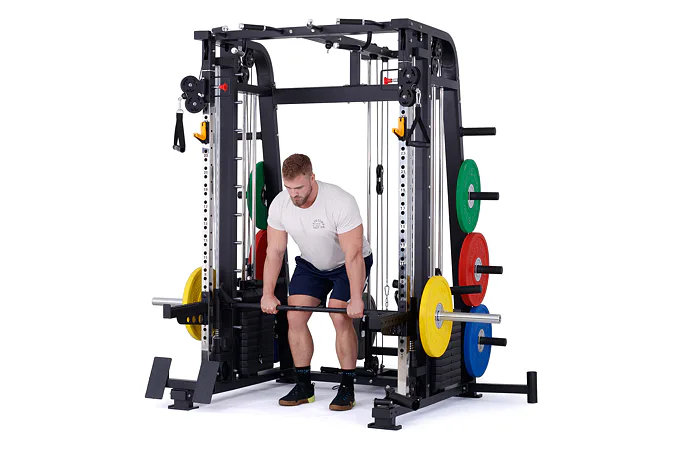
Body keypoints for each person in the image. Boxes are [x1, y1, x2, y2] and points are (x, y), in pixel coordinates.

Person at [261, 153, 373, 411]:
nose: (294, 194)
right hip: (311, 264)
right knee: (294, 316)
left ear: (312, 178)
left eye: (299, 188)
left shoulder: (339, 202)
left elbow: (353, 254)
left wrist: (357, 298)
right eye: (289, 188)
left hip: (347, 264)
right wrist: (268, 293)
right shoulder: (280, 204)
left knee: (339, 314)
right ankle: (303, 385)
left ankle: (347, 387)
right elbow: (275, 251)